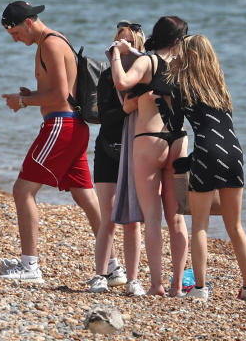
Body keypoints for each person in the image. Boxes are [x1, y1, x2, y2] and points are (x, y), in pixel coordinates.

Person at [0, 1, 103, 284]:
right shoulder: (55, 41)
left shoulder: (50, 44)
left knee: (22, 191)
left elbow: (59, 96)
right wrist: (33, 94)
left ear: (29, 23)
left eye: (16, 33)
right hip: (73, 127)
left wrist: (23, 101)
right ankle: (112, 267)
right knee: (85, 197)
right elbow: (62, 89)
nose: (16, 39)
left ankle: (30, 267)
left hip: (61, 126)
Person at [168, 34, 246, 302]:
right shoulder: (220, 87)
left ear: (190, 57)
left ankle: (200, 288)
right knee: (235, 226)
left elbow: (174, 125)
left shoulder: (183, 87)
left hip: (207, 154)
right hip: (234, 153)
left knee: (200, 226)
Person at [108, 15, 190, 297]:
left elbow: (122, 82)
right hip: (180, 140)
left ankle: (156, 285)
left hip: (149, 139)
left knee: (153, 218)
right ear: (178, 41)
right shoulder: (184, 67)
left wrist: (116, 55)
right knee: (177, 218)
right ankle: (177, 285)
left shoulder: (148, 61)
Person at [89, 21, 146, 296]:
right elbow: (104, 117)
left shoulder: (145, 75)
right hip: (107, 149)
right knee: (108, 218)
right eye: (117, 43)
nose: (121, 48)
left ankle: (133, 279)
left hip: (135, 152)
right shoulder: (105, 77)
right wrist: (125, 109)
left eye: (129, 43)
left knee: (133, 220)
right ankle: (100, 274)